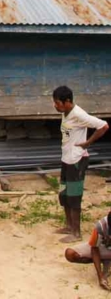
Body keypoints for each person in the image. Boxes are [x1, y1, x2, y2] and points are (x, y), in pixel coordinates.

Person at [52, 86, 109, 243]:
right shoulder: (66, 113)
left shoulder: (79, 114)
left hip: (77, 160)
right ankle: (69, 226)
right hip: (66, 158)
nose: (55, 106)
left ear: (67, 101)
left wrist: (88, 142)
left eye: (57, 103)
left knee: (74, 197)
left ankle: (76, 233)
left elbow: (103, 126)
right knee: (64, 194)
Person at [65, 211, 111, 291]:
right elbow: (94, 249)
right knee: (70, 254)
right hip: (102, 247)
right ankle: (104, 260)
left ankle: (107, 261)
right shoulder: (100, 226)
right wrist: (100, 277)